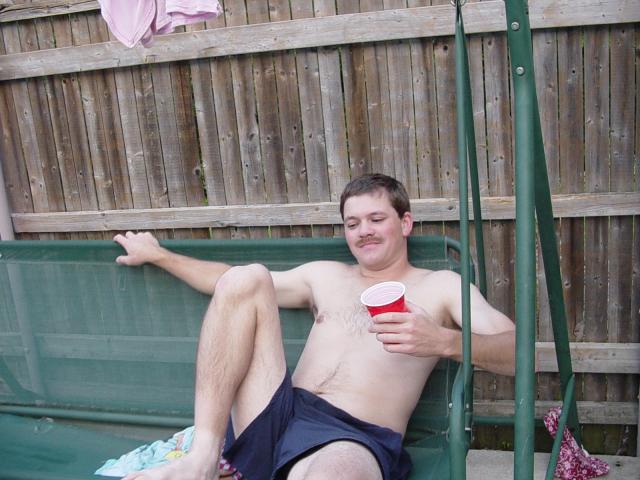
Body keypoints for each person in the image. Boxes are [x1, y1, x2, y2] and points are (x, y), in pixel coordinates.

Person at [113, 173, 515, 480]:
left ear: (405, 222)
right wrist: (159, 255)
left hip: (354, 435)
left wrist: (444, 341)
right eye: (353, 223)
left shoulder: (443, 286)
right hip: (278, 412)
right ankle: (202, 456)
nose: (364, 231)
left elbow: (518, 353)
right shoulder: (323, 275)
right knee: (245, 277)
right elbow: (226, 285)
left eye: (376, 218)